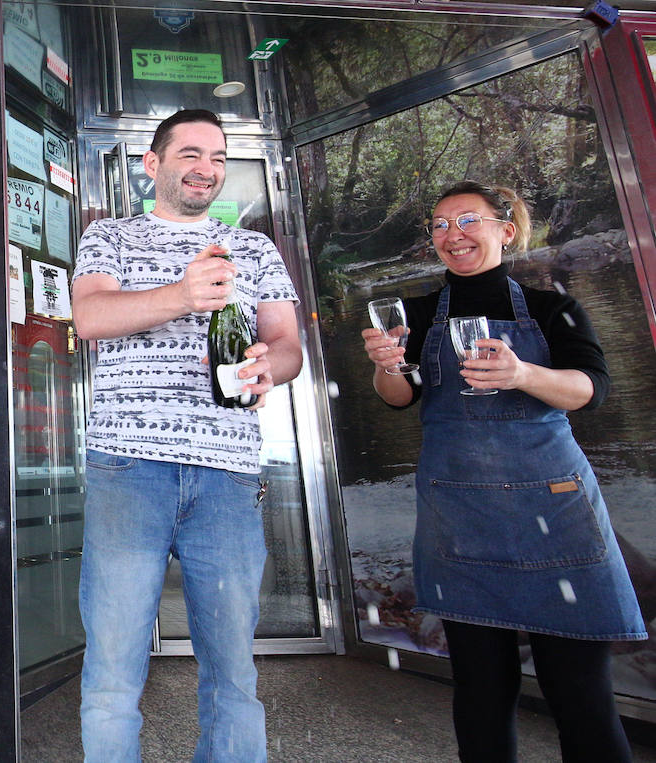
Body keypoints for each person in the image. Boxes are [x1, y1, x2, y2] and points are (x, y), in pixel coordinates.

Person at [361, 180, 646, 761]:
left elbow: (591, 390)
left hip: (555, 507)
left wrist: (524, 376)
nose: (452, 235)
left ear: (504, 229)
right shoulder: (413, 313)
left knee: (580, 696)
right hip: (460, 517)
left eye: (467, 220)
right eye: (439, 225)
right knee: (482, 694)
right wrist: (386, 366)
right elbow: (399, 397)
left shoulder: (551, 308)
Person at [71, 109, 303, 762]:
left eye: (219, 158)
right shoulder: (108, 237)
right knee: (113, 670)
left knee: (234, 672)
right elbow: (89, 317)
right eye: (191, 154)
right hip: (127, 468)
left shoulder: (254, 248)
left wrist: (267, 366)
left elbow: (287, 345)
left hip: (227, 475)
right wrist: (182, 292)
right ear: (152, 164)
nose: (207, 168)